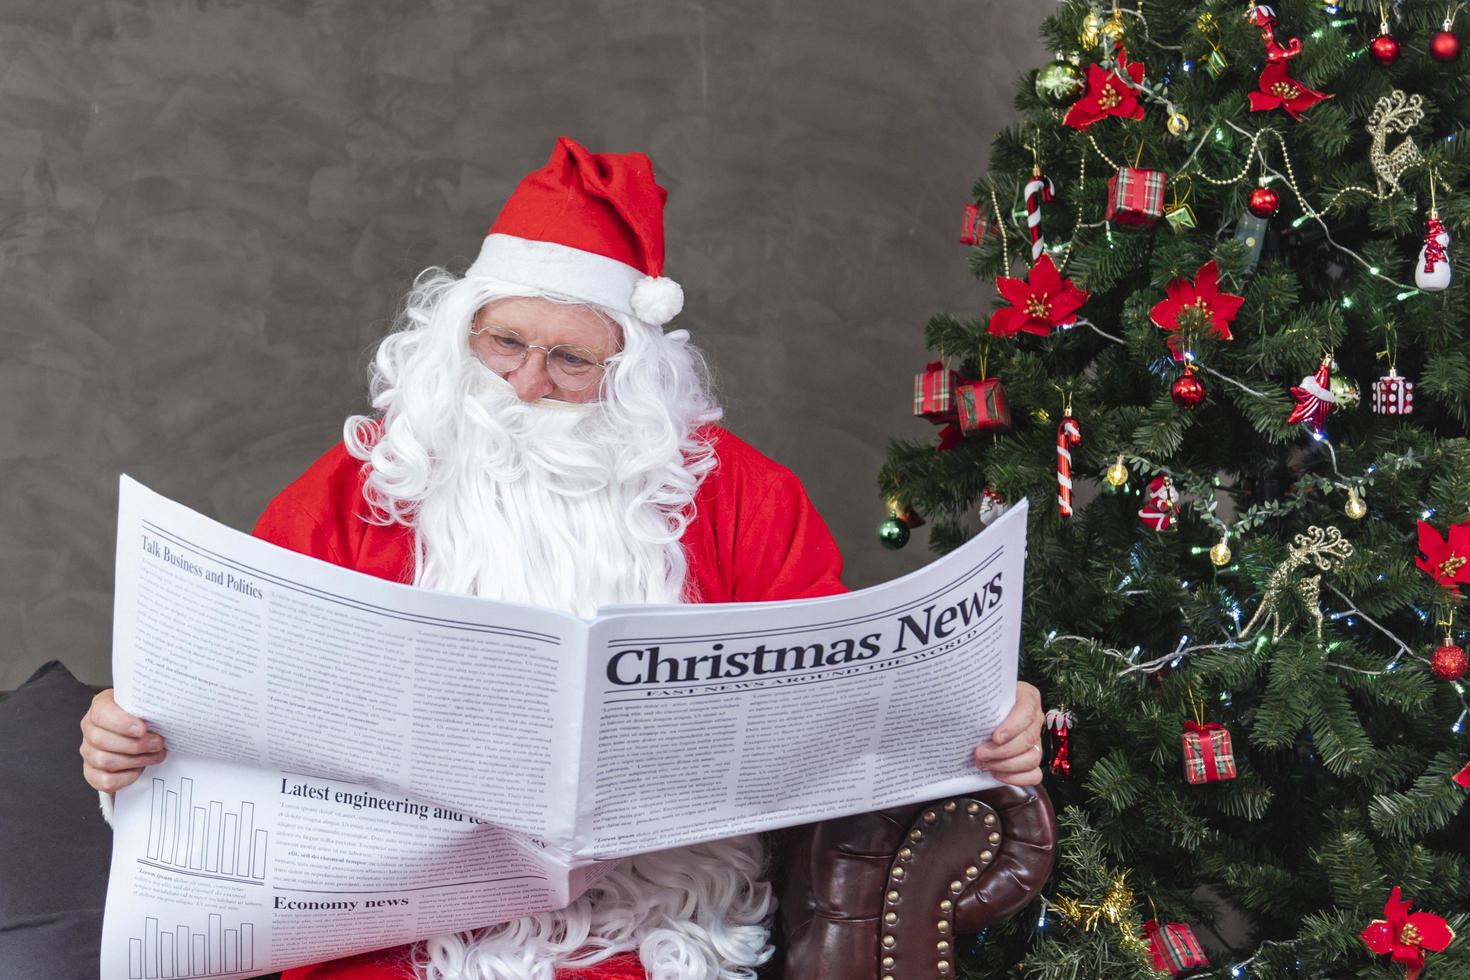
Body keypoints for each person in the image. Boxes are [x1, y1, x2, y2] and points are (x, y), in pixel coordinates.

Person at [80, 136, 1046, 980]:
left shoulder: (743, 494)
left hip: (657, 929)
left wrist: (980, 720)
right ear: (459, 334)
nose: (527, 385)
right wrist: (129, 728)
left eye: (572, 362)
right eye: (504, 343)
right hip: (394, 937)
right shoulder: (360, 483)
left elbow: (848, 692)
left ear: (632, 373)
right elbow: (223, 682)